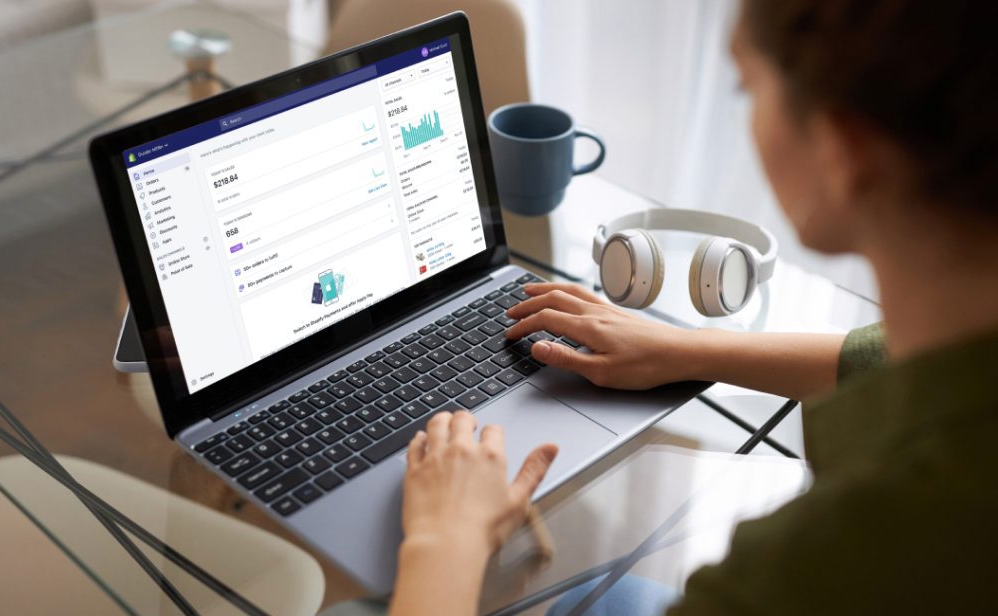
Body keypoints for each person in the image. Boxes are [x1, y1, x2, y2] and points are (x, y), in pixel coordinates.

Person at [388, 0, 998, 614]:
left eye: (746, 88)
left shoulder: (810, 568)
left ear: (844, 149)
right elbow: (882, 360)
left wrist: (444, 542)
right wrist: (680, 348)